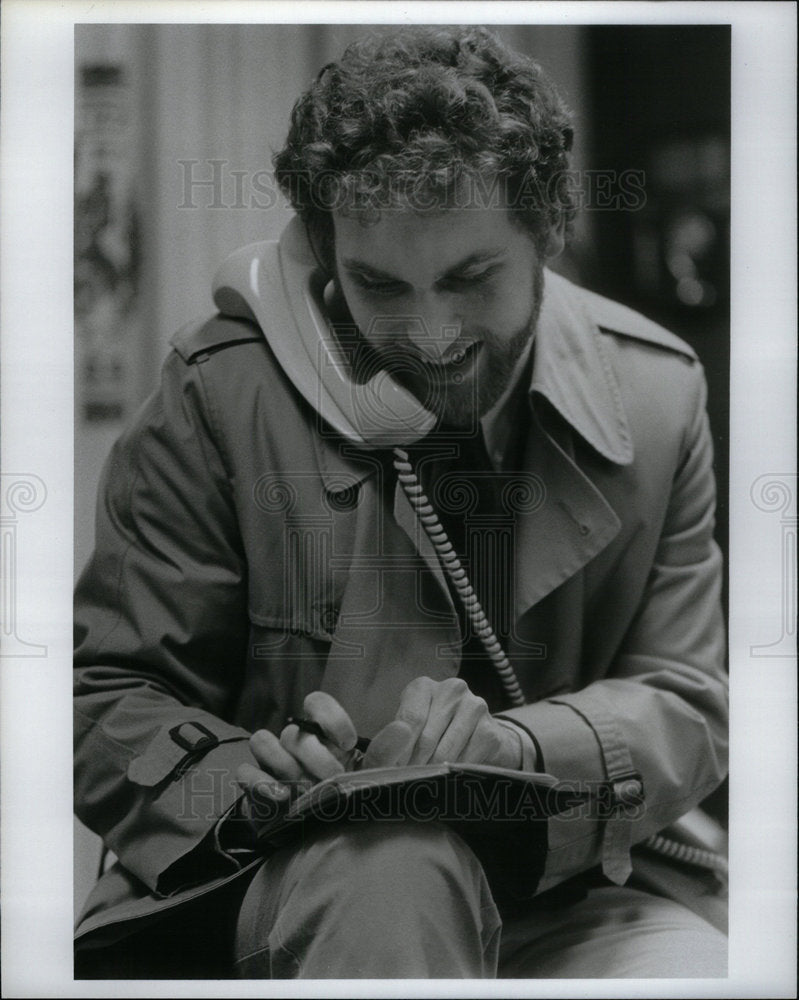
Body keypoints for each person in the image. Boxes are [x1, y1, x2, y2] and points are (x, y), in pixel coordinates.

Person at [74, 26, 729, 979]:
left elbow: (689, 700)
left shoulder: (659, 398)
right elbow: (103, 694)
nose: (429, 337)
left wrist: (511, 749)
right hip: (276, 874)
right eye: (378, 285)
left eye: (471, 278)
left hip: (567, 885)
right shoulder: (217, 395)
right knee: (399, 866)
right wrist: (249, 783)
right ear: (320, 251)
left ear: (547, 238)